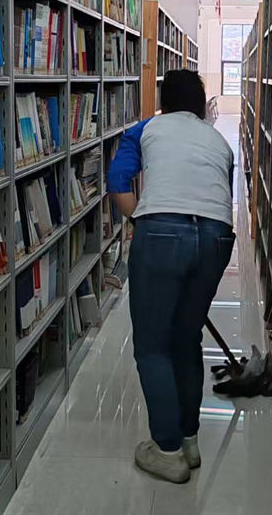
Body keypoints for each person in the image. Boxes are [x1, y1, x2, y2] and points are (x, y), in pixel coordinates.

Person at [107, 69, 235, 484]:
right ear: (200, 105)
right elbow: (222, 196)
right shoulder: (218, 141)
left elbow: (117, 182)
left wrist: (140, 221)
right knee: (186, 338)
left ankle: (167, 451)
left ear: (163, 102)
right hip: (217, 238)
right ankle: (189, 441)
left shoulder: (146, 128)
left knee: (152, 346)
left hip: (162, 231)